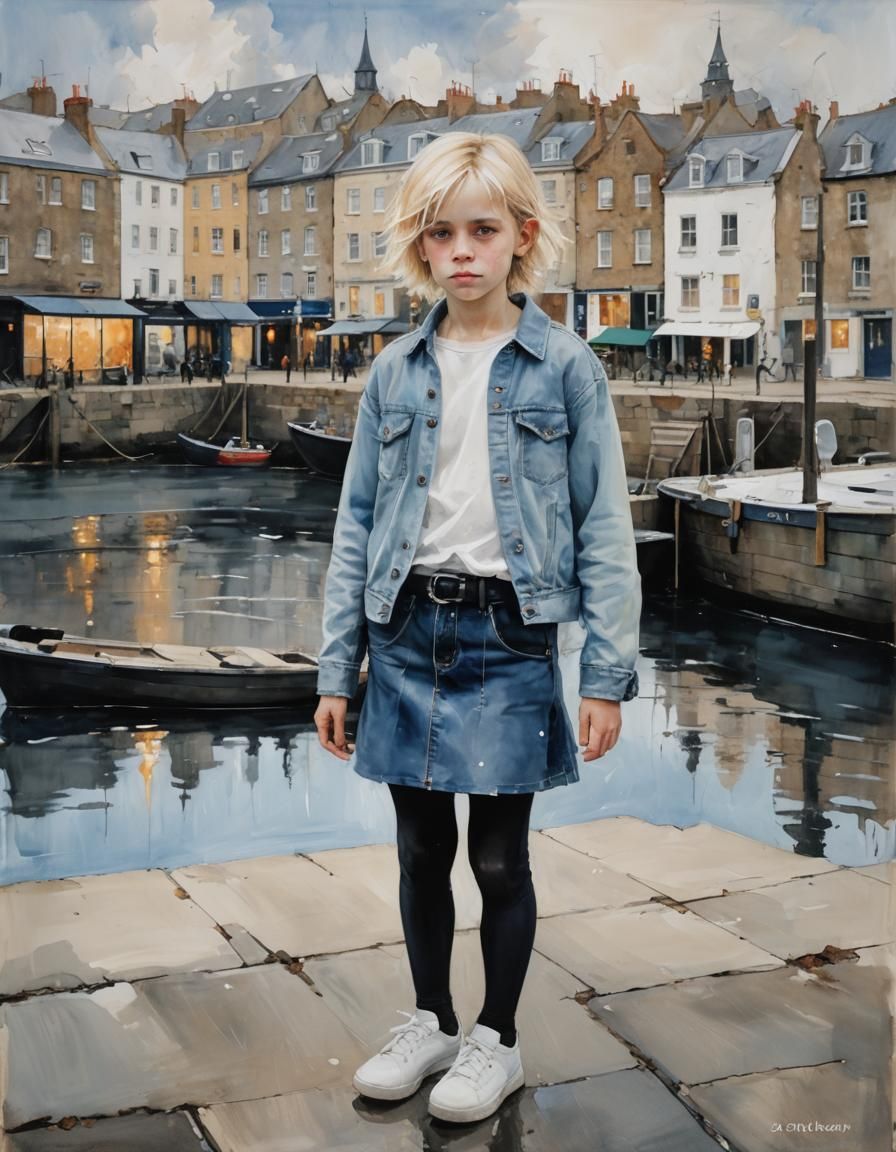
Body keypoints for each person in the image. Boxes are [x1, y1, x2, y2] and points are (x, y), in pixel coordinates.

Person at [314, 132, 640, 1125]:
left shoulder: (564, 368)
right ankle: (429, 1020)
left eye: (482, 232)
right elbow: (354, 525)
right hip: (405, 629)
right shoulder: (392, 374)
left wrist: (604, 676)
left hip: (508, 636)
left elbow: (605, 526)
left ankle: (493, 1039)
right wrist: (338, 668)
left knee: (497, 858)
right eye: (441, 233)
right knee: (418, 851)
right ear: (419, 247)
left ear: (519, 239)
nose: (461, 251)